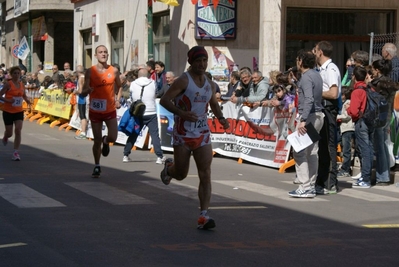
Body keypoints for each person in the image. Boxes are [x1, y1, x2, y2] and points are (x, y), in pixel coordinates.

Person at [159, 46, 229, 229]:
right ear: (191, 62)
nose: (202, 64)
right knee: (181, 174)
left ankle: (204, 215)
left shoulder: (209, 83)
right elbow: (164, 100)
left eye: (204, 61)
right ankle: (169, 168)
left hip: (202, 133)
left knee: (205, 174)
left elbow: (213, 103)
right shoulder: (183, 80)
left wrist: (221, 118)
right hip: (183, 133)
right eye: (198, 61)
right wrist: (181, 113)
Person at [80, 45, 122, 178]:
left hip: (109, 109)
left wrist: (118, 99)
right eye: (100, 52)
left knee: (113, 137)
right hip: (95, 110)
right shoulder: (90, 71)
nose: (103, 54)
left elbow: (120, 86)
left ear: (108, 55)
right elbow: (84, 90)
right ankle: (97, 165)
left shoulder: (114, 71)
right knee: (96, 140)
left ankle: (106, 140)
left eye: (105, 52)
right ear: (96, 55)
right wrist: (88, 90)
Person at [288, 50, 324, 198]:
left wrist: (302, 120)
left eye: (298, 60)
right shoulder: (315, 75)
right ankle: (310, 185)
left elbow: (308, 99)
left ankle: (305, 185)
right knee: (312, 152)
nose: (297, 62)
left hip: (309, 117)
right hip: (317, 115)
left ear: (301, 61)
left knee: (300, 152)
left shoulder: (307, 77)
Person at [313, 41, 342, 195]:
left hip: (329, 109)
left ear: (320, 52)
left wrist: (315, 93)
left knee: (329, 145)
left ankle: (330, 182)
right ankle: (321, 180)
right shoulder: (320, 69)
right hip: (321, 108)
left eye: (315, 50)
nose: (313, 53)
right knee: (321, 146)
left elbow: (333, 93)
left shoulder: (331, 69)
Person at [123, 68, 165, 164]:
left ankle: (126, 154)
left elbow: (130, 95)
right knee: (154, 135)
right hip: (151, 112)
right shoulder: (152, 82)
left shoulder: (133, 84)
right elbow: (155, 94)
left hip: (138, 112)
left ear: (138, 75)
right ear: (147, 75)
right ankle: (159, 156)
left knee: (134, 133)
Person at [370, 59, 398, 185]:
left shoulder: (378, 84)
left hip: (378, 117)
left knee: (380, 147)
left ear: (377, 70)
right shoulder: (390, 83)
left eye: (373, 69)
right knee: (383, 146)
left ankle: (383, 176)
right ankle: (383, 174)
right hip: (386, 116)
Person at [347, 66, 373, 188]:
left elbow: (354, 111)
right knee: (368, 148)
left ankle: (366, 178)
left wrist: (348, 110)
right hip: (369, 121)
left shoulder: (357, 91)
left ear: (354, 77)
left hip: (361, 122)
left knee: (364, 150)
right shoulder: (369, 89)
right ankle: (365, 176)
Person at [0, 66, 31, 161]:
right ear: (11, 74)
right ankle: (5, 136)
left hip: (18, 111)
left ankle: (15, 152)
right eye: (15, 73)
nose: (17, 75)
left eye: (18, 73)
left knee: (18, 130)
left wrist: (28, 101)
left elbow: (24, 95)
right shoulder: (8, 84)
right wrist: (8, 100)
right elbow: (0, 96)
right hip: (8, 111)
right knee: (9, 133)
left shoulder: (21, 84)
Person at [337, 86, 355, 178]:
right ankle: (345, 167)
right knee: (344, 148)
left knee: (346, 150)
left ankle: (345, 169)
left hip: (347, 128)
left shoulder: (348, 103)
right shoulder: (344, 103)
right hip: (343, 128)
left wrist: (337, 117)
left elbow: (347, 116)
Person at [74, 65, 88, 140]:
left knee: (82, 116)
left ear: (78, 72)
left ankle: (83, 132)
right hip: (85, 97)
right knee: (83, 115)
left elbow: (80, 90)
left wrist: (75, 91)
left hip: (82, 98)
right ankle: (84, 131)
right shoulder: (85, 77)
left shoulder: (80, 78)